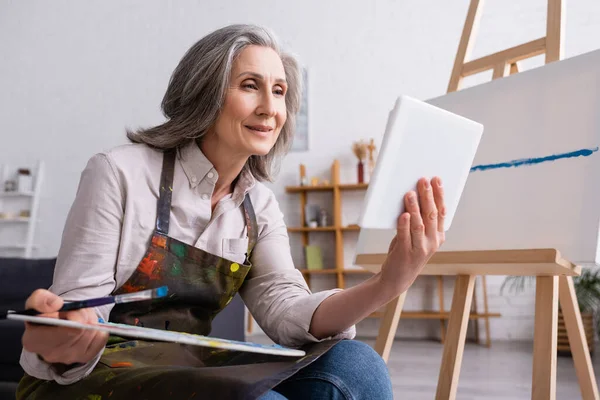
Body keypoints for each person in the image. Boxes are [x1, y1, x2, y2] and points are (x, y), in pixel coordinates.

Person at [16, 24, 446, 400]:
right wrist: (70, 333)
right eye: (249, 85)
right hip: (100, 377)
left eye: (279, 91)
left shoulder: (257, 203)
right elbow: (78, 309)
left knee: (356, 364)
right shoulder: (118, 172)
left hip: (184, 367)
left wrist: (387, 282)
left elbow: (286, 311)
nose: (270, 108)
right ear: (205, 92)